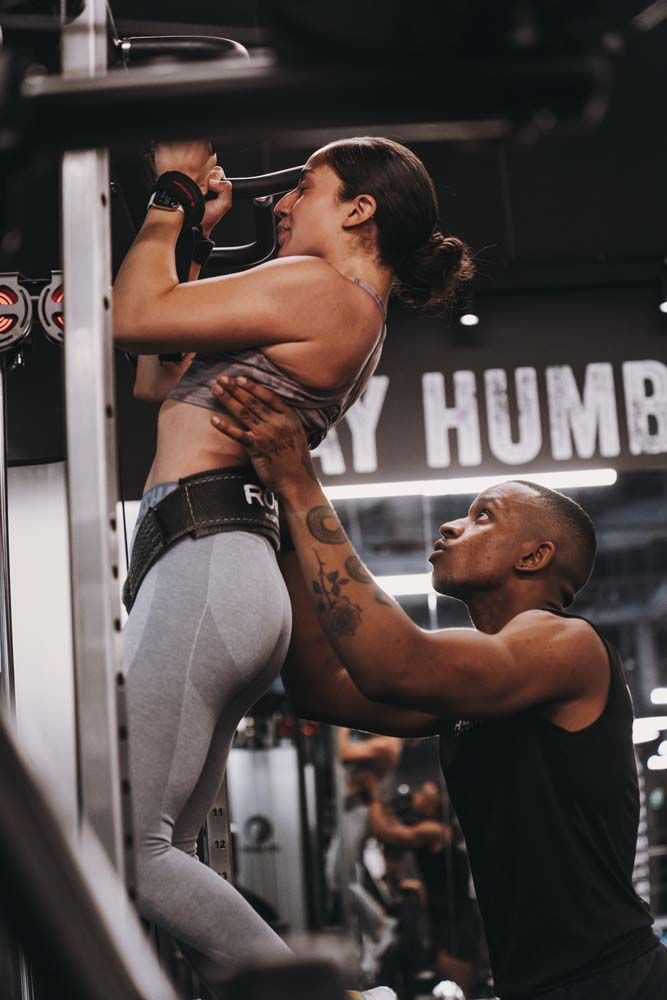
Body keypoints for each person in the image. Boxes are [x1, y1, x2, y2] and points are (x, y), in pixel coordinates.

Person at [112, 135, 472, 991]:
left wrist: (169, 188)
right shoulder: (329, 302)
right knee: (162, 847)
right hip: (211, 566)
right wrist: (191, 232)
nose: (279, 201)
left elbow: (131, 316)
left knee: (130, 845)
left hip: (211, 564)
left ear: (358, 210)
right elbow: (156, 379)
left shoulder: (323, 289)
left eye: (302, 187)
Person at [208, 375, 667, 1000]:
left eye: (483, 516)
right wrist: (286, 515)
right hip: (535, 984)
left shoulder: (567, 646)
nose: (452, 526)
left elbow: (398, 666)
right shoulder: (478, 685)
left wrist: (299, 480)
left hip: (612, 981)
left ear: (533, 557)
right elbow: (323, 687)